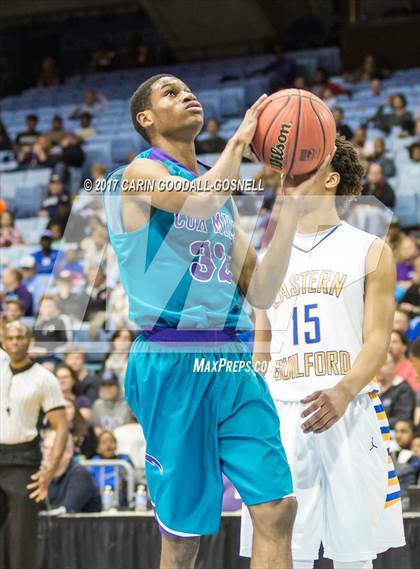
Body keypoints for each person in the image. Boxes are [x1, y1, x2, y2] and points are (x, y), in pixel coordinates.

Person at [102, 73, 331, 569]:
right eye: (170, 92)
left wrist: (289, 207)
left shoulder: (220, 189)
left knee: (277, 507)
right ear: (146, 119)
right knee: (183, 537)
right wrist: (242, 141)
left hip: (230, 359)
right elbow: (199, 199)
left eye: (188, 89)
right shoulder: (139, 174)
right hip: (171, 358)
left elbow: (262, 288)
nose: (187, 94)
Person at [241, 136, 406, 567]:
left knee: (353, 557)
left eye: (305, 163)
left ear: (331, 178)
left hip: (347, 410)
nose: (289, 174)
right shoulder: (266, 259)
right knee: (279, 551)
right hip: (280, 413)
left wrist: (345, 389)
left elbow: (377, 339)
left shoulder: (370, 250)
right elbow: (263, 345)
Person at [0, 321, 67, 569]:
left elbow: (61, 427)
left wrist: (49, 472)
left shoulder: (44, 379)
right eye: (10, 338)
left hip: (23, 462)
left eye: (20, 337)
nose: (15, 342)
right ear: (3, 341)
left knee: (22, 539)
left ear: (30, 340)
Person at [42, 429, 101, 513]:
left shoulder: (80, 475)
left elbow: (67, 509)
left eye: (53, 449)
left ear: (68, 452)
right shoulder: (42, 474)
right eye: (45, 448)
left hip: (81, 525)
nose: (47, 453)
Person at [88, 430, 133, 507]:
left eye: (111, 441)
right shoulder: (94, 463)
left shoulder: (124, 461)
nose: (108, 444)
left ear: (116, 445)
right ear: (98, 448)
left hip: (121, 503)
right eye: (104, 442)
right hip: (100, 502)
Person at [378, 352, 415, 427]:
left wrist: (378, 424)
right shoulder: (373, 388)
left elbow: (403, 418)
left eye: (383, 364)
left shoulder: (403, 388)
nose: (379, 368)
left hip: (395, 434)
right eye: (377, 365)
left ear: (394, 366)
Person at [91, 370, 131, 436]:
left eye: (110, 385)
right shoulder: (97, 405)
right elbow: (97, 430)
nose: (107, 389)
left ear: (118, 387)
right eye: (104, 385)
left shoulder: (128, 404)